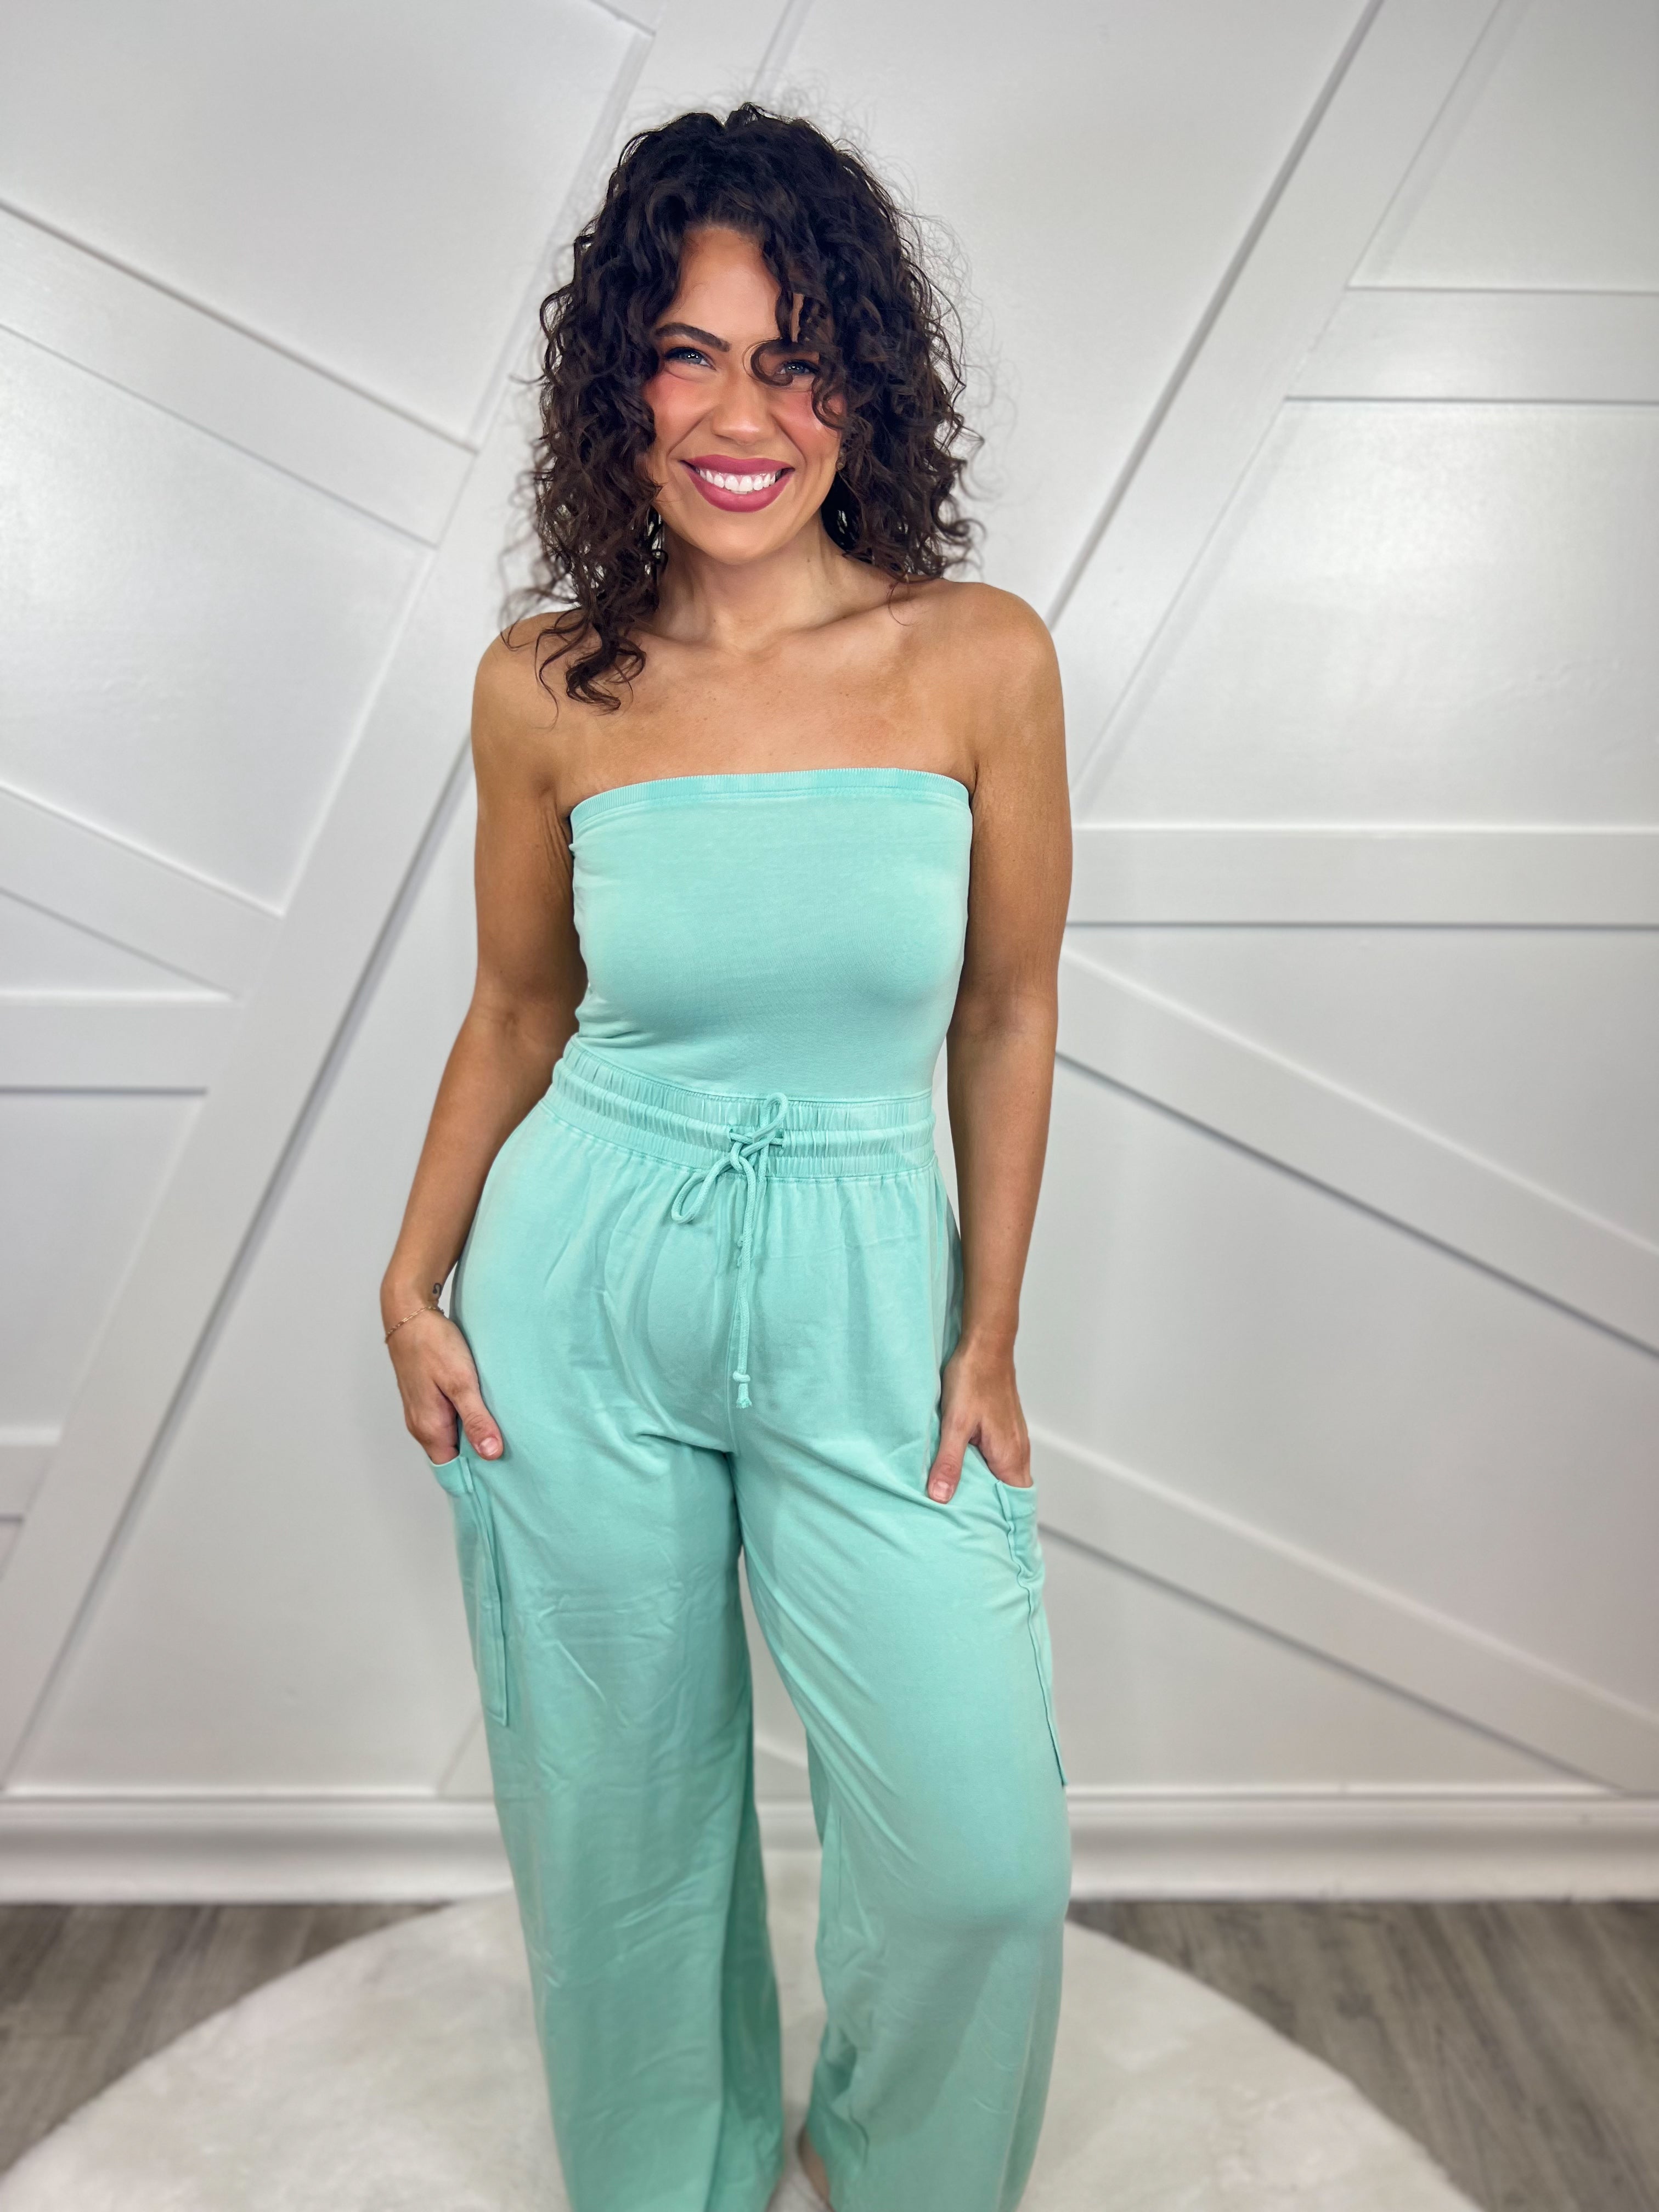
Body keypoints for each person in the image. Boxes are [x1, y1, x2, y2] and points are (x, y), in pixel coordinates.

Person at [381, 103, 1073, 2212]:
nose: (742, 417)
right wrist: (411, 1276)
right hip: (583, 1283)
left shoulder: (979, 659)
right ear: (624, 387)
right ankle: (671, 2176)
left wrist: (990, 1331)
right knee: (620, 1831)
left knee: (978, 1857)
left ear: (867, 386)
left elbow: (1006, 1011)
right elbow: (518, 1011)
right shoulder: (546, 685)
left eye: (796, 360)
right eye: (687, 356)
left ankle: (894, 2165)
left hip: (874, 1286)